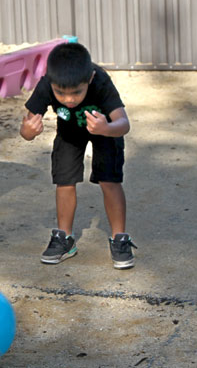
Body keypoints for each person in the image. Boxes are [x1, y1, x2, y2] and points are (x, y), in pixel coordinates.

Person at [19, 42, 137, 269]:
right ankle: (64, 237)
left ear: (90, 79)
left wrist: (106, 128)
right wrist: (29, 132)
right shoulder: (47, 84)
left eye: (76, 92)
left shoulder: (100, 81)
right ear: (51, 81)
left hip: (105, 131)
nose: (68, 99)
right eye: (60, 93)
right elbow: (25, 130)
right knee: (64, 181)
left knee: (109, 181)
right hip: (69, 134)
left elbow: (124, 123)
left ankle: (120, 238)